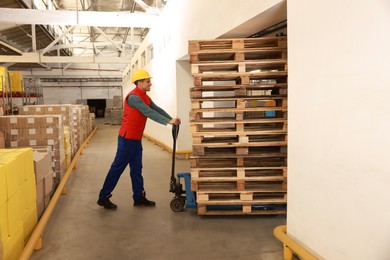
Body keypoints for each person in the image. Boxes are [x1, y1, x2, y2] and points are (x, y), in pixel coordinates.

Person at [97, 69, 181, 210]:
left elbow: (157, 109)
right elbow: (148, 112)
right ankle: (103, 197)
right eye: (148, 81)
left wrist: (171, 118)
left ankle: (139, 197)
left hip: (136, 139)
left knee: (137, 169)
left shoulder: (145, 96)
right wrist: (168, 122)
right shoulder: (134, 97)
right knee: (117, 168)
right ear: (140, 82)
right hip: (127, 139)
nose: (150, 84)